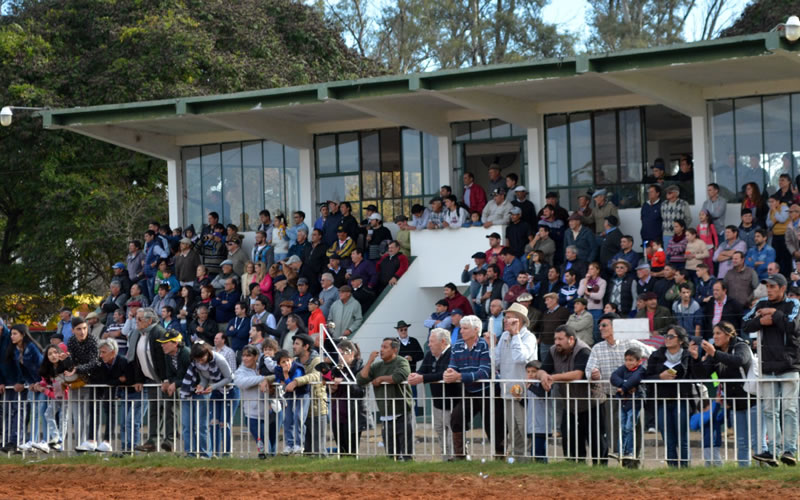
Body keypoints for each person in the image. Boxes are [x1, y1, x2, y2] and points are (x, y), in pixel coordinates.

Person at [743, 273, 800, 466]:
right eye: (768, 286)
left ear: (783, 288)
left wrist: (774, 315)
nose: (769, 290)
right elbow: (745, 324)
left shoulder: (794, 304)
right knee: (770, 410)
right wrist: (760, 321)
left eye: (773, 287)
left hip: (789, 365)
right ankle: (774, 452)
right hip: (767, 366)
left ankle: (790, 451)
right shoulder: (760, 304)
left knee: (789, 410)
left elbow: (793, 326)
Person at [585, 313, 653, 466]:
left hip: (634, 396)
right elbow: (589, 370)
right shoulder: (597, 348)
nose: (600, 328)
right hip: (611, 395)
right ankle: (621, 461)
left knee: (634, 428)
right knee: (615, 431)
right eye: (599, 325)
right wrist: (594, 374)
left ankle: (634, 462)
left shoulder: (630, 343)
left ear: (614, 327)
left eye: (604, 325)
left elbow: (653, 354)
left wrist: (642, 373)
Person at [689, 321, 756, 467]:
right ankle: (744, 470)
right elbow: (703, 375)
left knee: (757, 440)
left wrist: (714, 353)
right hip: (735, 402)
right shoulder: (715, 354)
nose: (715, 337)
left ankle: (764, 469)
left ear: (729, 334)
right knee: (741, 441)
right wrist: (695, 359)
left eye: (718, 333)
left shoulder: (740, 345)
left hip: (753, 399)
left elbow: (739, 360)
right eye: (713, 334)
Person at [535, 325, 605, 464]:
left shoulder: (583, 350)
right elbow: (541, 370)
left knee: (596, 439)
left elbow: (578, 374)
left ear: (571, 339)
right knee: (570, 438)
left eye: (560, 339)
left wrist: (553, 378)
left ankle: (600, 467)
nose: (556, 342)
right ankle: (574, 465)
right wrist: (543, 376)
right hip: (570, 403)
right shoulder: (553, 350)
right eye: (555, 338)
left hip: (591, 402)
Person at [443, 315, 502, 459]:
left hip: (489, 392)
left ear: (476, 330)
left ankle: (501, 455)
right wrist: (448, 373)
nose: (461, 331)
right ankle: (460, 455)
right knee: (456, 418)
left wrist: (459, 376)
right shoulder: (456, 345)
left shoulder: (484, 345)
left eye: (465, 328)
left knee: (494, 425)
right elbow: (452, 366)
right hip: (469, 391)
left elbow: (483, 372)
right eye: (461, 328)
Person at [357, 337, 414, 460]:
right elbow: (361, 380)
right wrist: (369, 362)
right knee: (391, 453)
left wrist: (381, 379)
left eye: (385, 347)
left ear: (394, 350)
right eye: (381, 346)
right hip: (385, 414)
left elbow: (399, 376)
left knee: (406, 452)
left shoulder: (401, 361)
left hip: (402, 412)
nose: (381, 350)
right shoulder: (377, 365)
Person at [644, 325, 693, 467]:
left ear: (681, 340)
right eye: (666, 336)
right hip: (662, 401)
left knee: (683, 437)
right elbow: (647, 376)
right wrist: (660, 376)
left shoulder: (688, 355)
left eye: (671, 336)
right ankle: (672, 467)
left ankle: (685, 468)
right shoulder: (656, 355)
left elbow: (699, 375)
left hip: (682, 399)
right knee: (668, 438)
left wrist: (696, 359)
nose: (667, 339)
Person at [495, 303, 538, 457]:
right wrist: (490, 346)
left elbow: (521, 358)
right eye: (505, 318)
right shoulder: (505, 336)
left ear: (519, 320)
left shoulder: (529, 337)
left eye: (508, 318)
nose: (505, 320)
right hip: (507, 389)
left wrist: (517, 335)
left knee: (524, 427)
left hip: (523, 391)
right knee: (513, 430)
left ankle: (529, 459)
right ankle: (519, 460)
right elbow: (496, 361)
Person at [178, 339, 232, 458]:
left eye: (202, 359)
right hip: (211, 389)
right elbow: (204, 377)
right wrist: (201, 385)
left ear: (207, 353)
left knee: (207, 424)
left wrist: (213, 386)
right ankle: (191, 453)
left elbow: (229, 377)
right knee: (189, 425)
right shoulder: (196, 362)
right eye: (197, 360)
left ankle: (206, 453)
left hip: (227, 390)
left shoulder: (219, 359)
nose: (200, 362)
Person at [128, 308, 172, 453]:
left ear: (150, 321)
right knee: (154, 410)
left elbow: (165, 358)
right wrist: (139, 379)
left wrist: (166, 379)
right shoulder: (138, 335)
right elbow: (137, 359)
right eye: (136, 318)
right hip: (151, 380)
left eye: (140, 319)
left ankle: (170, 440)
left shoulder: (159, 332)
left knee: (169, 409)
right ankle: (152, 440)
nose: (137, 321)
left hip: (165, 380)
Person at [409, 328, 457, 459]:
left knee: (452, 433)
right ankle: (445, 457)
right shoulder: (430, 355)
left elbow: (445, 373)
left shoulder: (452, 353)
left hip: (452, 402)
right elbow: (423, 370)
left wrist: (422, 378)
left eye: (431, 341)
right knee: (440, 430)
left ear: (442, 342)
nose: (429, 344)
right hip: (437, 402)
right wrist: (415, 375)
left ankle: (455, 458)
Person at [235, 344, 271, 458]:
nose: (245, 358)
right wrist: (263, 379)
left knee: (272, 442)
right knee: (262, 443)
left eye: (248, 355)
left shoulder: (265, 366)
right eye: (243, 356)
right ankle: (265, 461)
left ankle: (275, 463)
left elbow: (278, 373)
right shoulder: (240, 371)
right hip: (253, 413)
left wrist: (268, 378)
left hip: (272, 410)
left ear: (256, 357)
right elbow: (240, 382)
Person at [610, 348, 646, 461]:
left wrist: (624, 387)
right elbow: (613, 377)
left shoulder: (641, 370)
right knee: (622, 427)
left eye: (631, 360)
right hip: (624, 402)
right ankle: (621, 451)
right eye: (626, 360)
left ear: (639, 361)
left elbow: (635, 379)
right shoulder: (623, 369)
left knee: (629, 427)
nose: (628, 363)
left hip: (635, 403)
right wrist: (624, 386)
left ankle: (630, 451)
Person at [660, 185, 692, 249]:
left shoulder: (684, 203)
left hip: (680, 234)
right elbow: (662, 217)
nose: (667, 194)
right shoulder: (663, 204)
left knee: (680, 253)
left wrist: (681, 229)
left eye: (669, 192)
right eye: (667, 192)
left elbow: (688, 218)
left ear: (676, 193)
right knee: (667, 254)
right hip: (666, 234)